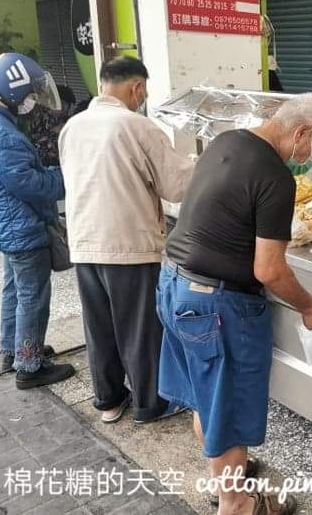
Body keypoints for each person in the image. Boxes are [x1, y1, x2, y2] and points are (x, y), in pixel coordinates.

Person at [158, 93, 312, 515]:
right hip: (216, 307)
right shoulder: (276, 178)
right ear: (301, 133)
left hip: (173, 286)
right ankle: (238, 504)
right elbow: (271, 270)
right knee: (231, 410)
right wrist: (311, 306)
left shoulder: (227, 141)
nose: (311, 160)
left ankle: (223, 483)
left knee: (209, 401)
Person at [58, 56, 195, 425]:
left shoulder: (72, 126)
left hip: (85, 242)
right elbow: (177, 185)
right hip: (129, 244)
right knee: (139, 329)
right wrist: (205, 162)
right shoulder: (137, 126)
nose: (143, 99)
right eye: (143, 92)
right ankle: (151, 405)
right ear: (136, 88)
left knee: (99, 326)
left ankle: (109, 401)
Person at [0, 53, 75, 389]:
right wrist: (67, 176)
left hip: (6, 225)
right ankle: (30, 366)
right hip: (20, 228)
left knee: (14, 289)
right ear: (9, 91)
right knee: (32, 295)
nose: (31, 101)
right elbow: (30, 184)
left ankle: (13, 350)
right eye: (28, 94)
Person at [27, 85, 77, 167]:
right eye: (62, 103)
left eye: (67, 105)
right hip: (43, 165)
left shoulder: (66, 120)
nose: (64, 108)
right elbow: (36, 143)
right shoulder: (41, 116)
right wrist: (54, 131)